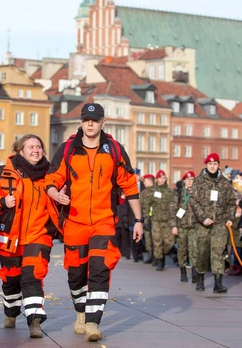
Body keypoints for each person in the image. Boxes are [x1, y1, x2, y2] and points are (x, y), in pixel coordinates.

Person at [45, 102, 143, 342]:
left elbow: (130, 186)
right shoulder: (68, 148)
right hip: (75, 222)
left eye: (95, 120)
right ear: (81, 122)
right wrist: (55, 193)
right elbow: (51, 178)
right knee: (76, 274)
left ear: (103, 123)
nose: (90, 124)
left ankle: (92, 322)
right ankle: (81, 311)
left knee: (100, 270)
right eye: (86, 120)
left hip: (103, 221)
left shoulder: (115, 150)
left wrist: (139, 220)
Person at [0, 134, 61, 338]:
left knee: (33, 276)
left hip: (39, 235)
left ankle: (35, 320)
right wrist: (3, 203)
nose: (36, 150)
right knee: (11, 280)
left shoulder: (51, 175)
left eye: (39, 146)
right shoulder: (2, 174)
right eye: (31, 147)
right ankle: (11, 313)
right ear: (20, 150)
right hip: (10, 237)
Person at [190, 153, 235, 292]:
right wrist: (203, 218)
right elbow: (193, 201)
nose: (212, 166)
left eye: (215, 164)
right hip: (203, 224)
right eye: (210, 164)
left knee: (218, 252)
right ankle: (200, 278)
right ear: (206, 165)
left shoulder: (225, 183)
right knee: (202, 252)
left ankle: (218, 282)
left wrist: (230, 217)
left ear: (218, 164)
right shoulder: (199, 181)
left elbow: (232, 202)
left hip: (220, 222)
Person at [141, 170, 174, 271]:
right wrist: (146, 218)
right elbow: (146, 205)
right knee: (157, 242)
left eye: (164, 178)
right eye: (160, 178)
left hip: (167, 220)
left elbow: (174, 205)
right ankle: (160, 261)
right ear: (157, 179)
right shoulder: (152, 191)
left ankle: (163, 253)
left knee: (169, 242)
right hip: (155, 220)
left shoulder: (170, 191)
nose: (162, 180)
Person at [170, 171, 197, 282]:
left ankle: (195, 273)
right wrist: (173, 226)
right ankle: (183, 272)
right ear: (184, 181)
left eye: (192, 180)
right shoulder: (179, 193)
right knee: (182, 249)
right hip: (182, 225)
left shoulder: (197, 192)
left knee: (194, 249)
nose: (190, 182)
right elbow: (172, 210)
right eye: (188, 179)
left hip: (194, 225)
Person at [140, 174, 155, 264]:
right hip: (145, 219)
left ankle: (156, 257)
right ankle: (150, 256)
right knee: (148, 239)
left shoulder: (156, 191)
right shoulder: (143, 193)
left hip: (154, 219)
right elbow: (140, 205)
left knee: (155, 239)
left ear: (150, 181)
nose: (144, 183)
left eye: (145, 181)